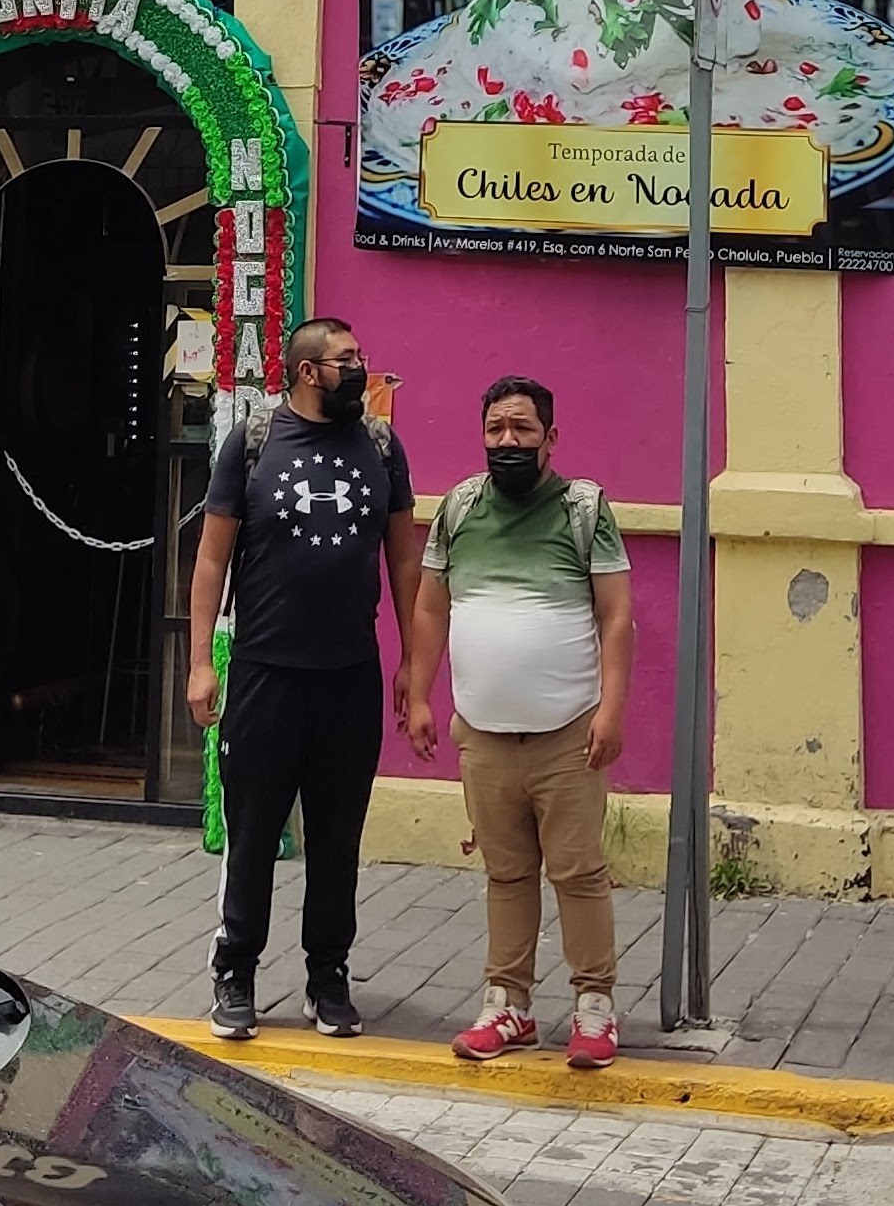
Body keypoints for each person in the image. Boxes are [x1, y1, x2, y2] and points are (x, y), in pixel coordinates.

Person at [188, 315, 419, 1045]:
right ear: (307, 371)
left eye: (360, 355)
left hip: (349, 676)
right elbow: (211, 559)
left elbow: (405, 560)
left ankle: (328, 976)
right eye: (346, 359)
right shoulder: (254, 442)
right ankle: (236, 970)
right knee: (253, 833)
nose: (359, 368)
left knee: (336, 839)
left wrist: (414, 663)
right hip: (266, 674)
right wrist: (201, 662)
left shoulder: (381, 446)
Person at [400, 376, 633, 1071]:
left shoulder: (583, 510)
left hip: (569, 736)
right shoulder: (459, 509)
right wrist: (420, 695)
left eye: (522, 429)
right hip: (484, 735)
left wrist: (612, 710)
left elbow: (616, 615)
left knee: (578, 872)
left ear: (550, 438)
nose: (508, 441)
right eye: (496, 429)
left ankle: (595, 1008)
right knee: (506, 874)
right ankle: (508, 1006)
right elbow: (431, 607)